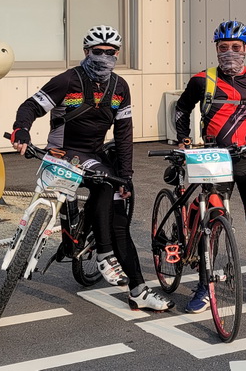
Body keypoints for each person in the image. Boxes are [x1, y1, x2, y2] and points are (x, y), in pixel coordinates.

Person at [11, 25, 173, 312]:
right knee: (102, 182)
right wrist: (21, 131)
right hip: (63, 152)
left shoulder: (120, 87)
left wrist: (126, 176)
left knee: (117, 213)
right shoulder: (67, 80)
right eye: (98, 52)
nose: (104, 57)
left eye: (111, 53)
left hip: (95, 156)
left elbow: (124, 134)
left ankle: (137, 289)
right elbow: (30, 107)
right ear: (86, 52)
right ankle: (103, 252)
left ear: (117, 54)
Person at [173, 20, 246, 312]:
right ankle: (203, 287)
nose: (229, 52)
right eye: (223, 47)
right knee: (211, 225)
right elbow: (182, 108)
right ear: (216, 49)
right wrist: (184, 139)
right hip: (214, 163)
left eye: (235, 47)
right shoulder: (202, 80)